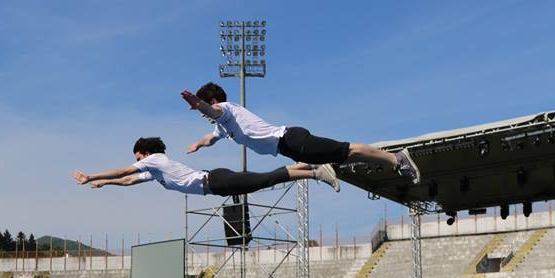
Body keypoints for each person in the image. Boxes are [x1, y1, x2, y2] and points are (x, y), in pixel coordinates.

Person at [180, 83, 421, 184]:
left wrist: (198, 104)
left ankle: (396, 158)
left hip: (290, 139)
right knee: (345, 157)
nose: (201, 113)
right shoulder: (222, 126)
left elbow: (212, 111)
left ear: (211, 101)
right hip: (288, 148)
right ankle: (320, 169)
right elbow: (210, 137)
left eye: (203, 106)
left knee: (347, 150)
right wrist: (197, 145)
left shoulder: (226, 110)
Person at [72, 137, 338, 197]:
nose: (137, 161)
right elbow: (128, 181)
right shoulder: (155, 171)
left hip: (215, 181)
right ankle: (309, 166)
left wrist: (91, 175)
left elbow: (123, 172)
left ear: (145, 152)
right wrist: (104, 183)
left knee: (265, 180)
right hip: (216, 185)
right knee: (263, 180)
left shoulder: (154, 160)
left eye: (137, 156)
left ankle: (315, 172)